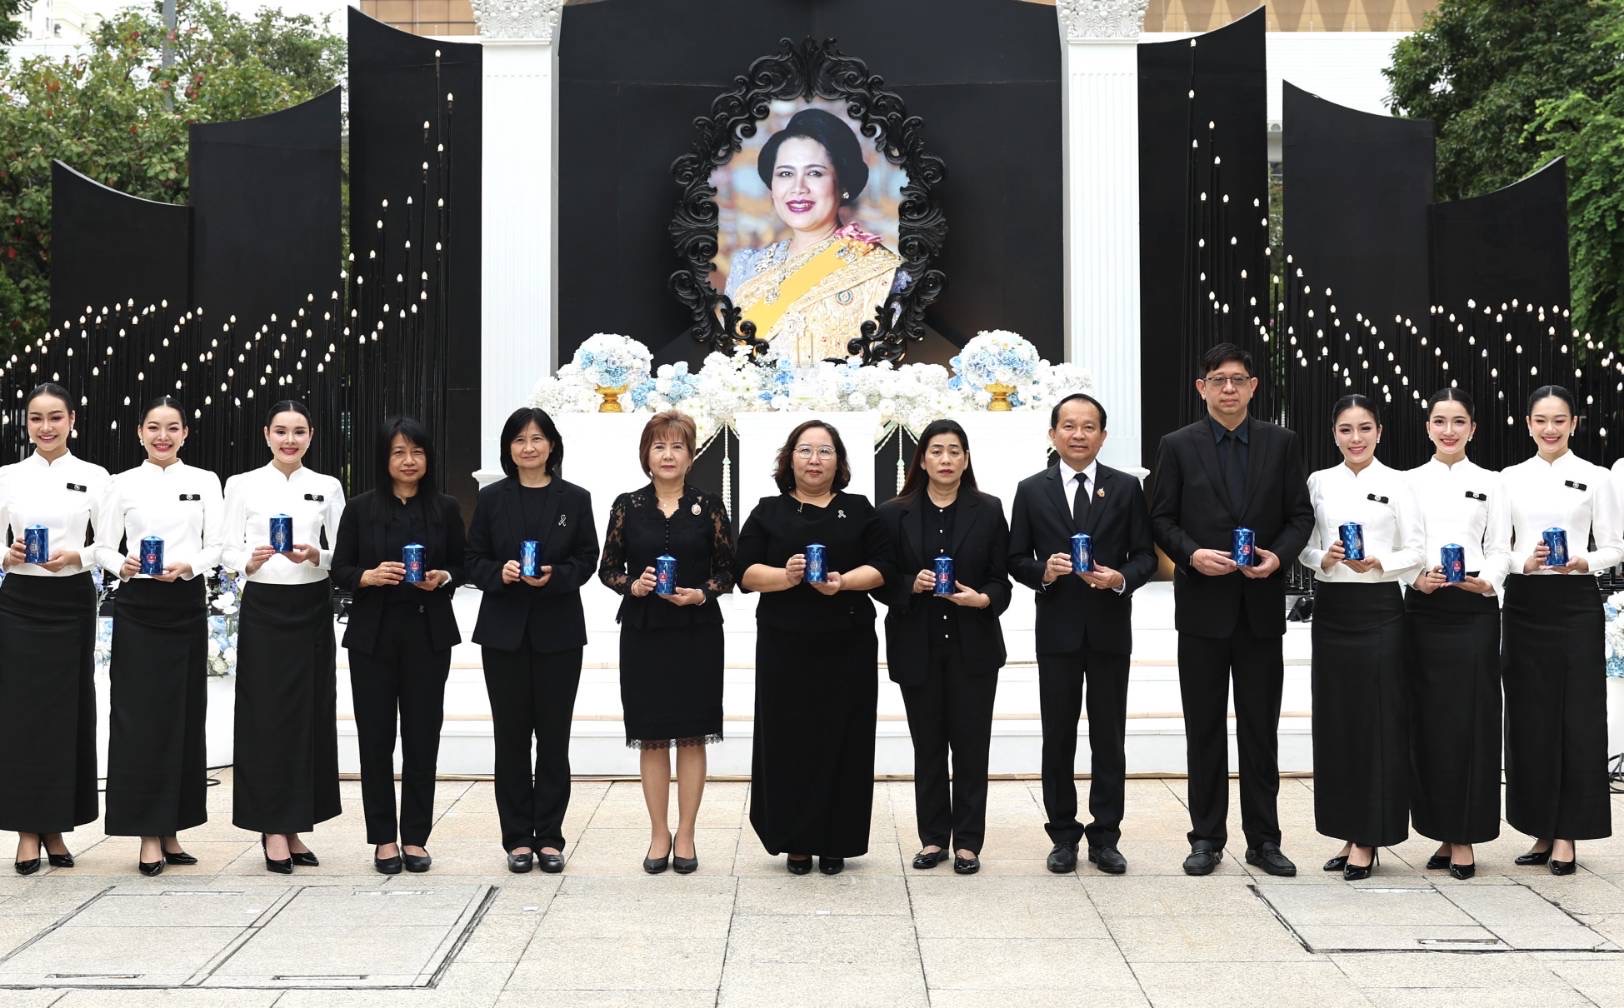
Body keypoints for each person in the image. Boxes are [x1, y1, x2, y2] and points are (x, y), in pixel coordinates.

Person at [1148, 343, 1314, 878]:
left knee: (1260, 730)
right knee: (1204, 729)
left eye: (1237, 379)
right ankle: (1206, 838)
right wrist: (1191, 555)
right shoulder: (1177, 446)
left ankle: (1264, 840)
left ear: (1253, 387)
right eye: (1217, 379)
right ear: (1201, 388)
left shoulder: (1281, 443)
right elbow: (1160, 518)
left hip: (1259, 610)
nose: (1227, 388)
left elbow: (1299, 516)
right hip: (1202, 610)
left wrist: (1278, 557)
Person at [1009, 394, 1156, 875]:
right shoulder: (1031, 490)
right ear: (1053, 434)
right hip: (1058, 632)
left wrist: (1119, 579)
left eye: (1088, 426)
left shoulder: (1126, 488)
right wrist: (1044, 572)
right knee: (1058, 735)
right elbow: (1015, 559)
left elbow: (1146, 556)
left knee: (1109, 736)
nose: (1078, 434)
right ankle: (1063, 835)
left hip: (1109, 629)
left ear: (1103, 436)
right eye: (1069, 426)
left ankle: (1106, 836)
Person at [736, 419, 890, 875]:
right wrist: (785, 576)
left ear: (839, 461)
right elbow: (743, 571)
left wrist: (843, 582)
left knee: (846, 738)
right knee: (789, 739)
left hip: (848, 642)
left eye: (825, 451)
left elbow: (884, 566)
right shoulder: (768, 511)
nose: (815, 460)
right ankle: (795, 840)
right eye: (805, 450)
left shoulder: (859, 509)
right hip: (785, 644)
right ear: (789, 459)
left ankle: (837, 839)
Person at [598, 411, 735, 875]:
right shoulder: (628, 505)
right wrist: (632, 585)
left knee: (692, 735)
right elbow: (608, 568)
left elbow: (728, 570)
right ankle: (659, 832)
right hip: (645, 632)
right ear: (647, 455)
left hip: (697, 632)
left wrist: (701, 593)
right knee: (652, 737)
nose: (668, 455)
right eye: (659, 446)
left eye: (677, 446)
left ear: (691, 456)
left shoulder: (709, 506)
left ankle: (688, 833)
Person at [466, 406, 599, 875]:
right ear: (509, 448)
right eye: (519, 439)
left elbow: (587, 559)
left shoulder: (575, 498)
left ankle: (551, 837)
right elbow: (472, 559)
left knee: (554, 739)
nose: (529, 447)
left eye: (537, 438)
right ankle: (518, 838)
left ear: (552, 445)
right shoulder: (492, 499)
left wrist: (555, 576)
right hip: (503, 633)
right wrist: (498, 573)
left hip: (558, 633)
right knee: (511, 738)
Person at [875, 419, 1011, 876]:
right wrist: (908, 585)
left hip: (974, 647)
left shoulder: (988, 510)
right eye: (936, 451)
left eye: (955, 451)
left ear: (966, 459)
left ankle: (968, 842)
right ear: (922, 460)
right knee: (928, 747)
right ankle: (933, 838)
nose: (946, 459)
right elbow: (880, 578)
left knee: (972, 747)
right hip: (918, 646)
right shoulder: (893, 513)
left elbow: (1001, 579)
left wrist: (983, 599)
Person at [93, 395, 222, 875]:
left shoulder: (204, 481)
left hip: (185, 603)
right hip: (139, 606)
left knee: (184, 717)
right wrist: (120, 564)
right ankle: (147, 832)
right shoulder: (121, 484)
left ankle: (172, 828)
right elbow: (102, 546)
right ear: (139, 433)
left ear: (185, 433)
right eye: (153, 427)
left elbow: (219, 545)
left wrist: (191, 565)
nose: (162, 436)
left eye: (171, 428)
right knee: (140, 719)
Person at [331, 417, 465, 875]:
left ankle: (415, 837)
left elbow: (464, 564)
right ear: (384, 458)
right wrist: (367, 577)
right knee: (376, 738)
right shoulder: (360, 508)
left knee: (423, 737)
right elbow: (340, 568)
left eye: (417, 452)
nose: (409, 461)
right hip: (373, 635)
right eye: (399, 452)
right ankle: (384, 838)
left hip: (429, 634)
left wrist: (442, 577)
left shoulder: (445, 507)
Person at [1299, 394, 1423, 880]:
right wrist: (1323, 558)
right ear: (1334, 435)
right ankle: (1347, 829)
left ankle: (1370, 836)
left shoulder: (1399, 483)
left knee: (1377, 722)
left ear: (1380, 433)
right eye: (1346, 430)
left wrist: (1379, 562)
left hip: (1380, 610)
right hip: (1333, 610)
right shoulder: (1319, 482)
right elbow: (1305, 547)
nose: (1356, 438)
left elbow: (1415, 550)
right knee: (1337, 722)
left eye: (1365, 428)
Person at [221, 399, 346, 873]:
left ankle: (294, 824)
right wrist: (246, 561)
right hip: (265, 606)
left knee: (308, 715)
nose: (289, 440)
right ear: (266, 435)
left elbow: (344, 552)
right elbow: (226, 547)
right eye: (280, 431)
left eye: (298, 431)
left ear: (311, 436)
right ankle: (271, 826)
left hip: (311, 607)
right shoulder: (243, 484)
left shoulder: (327, 486)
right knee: (266, 716)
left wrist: (316, 556)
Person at [1501, 385, 1621, 875]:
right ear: (1527, 424)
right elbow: (1496, 546)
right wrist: (1522, 562)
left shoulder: (1595, 477)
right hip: (1525, 602)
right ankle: (1540, 827)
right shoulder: (1508, 478)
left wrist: (1583, 560)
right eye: (1541, 420)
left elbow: (1615, 545)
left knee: (1577, 716)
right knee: (1529, 717)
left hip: (1575, 602)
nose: (1550, 429)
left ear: (1573, 424)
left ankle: (1568, 831)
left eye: (1559, 420)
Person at [0, 382, 110, 875]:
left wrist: (77, 556)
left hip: (71, 601)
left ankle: (57, 827)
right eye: (36, 418)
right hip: (20, 603)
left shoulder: (94, 476)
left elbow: (108, 543)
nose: (46, 427)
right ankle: (28, 830)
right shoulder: (7, 477)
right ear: (26, 424)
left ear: (72, 421)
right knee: (22, 716)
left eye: (55, 417)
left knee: (68, 714)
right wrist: (7, 554)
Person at [1404, 388, 1510, 880]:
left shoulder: (1492, 482)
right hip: (1424, 609)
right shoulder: (1407, 482)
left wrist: (1489, 580)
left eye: (1459, 421)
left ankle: (1465, 834)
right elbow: (1401, 545)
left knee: (1471, 721)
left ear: (1473, 429)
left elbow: (1500, 546)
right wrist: (1414, 578)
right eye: (1440, 421)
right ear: (1427, 427)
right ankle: (1441, 829)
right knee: (1429, 722)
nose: (1449, 431)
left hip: (1474, 610)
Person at [724, 108, 904, 363]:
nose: (798, 188)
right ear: (772, 187)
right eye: (785, 174)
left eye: (815, 173)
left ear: (842, 183)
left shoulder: (881, 271)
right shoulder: (747, 266)